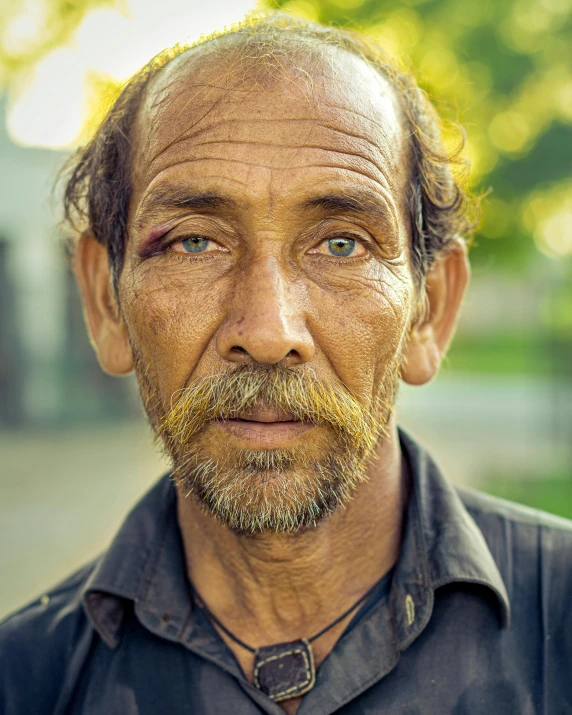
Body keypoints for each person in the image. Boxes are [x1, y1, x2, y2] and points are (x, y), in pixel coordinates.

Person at [1, 13, 571, 715]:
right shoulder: (22, 681)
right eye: (193, 243)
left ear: (430, 309)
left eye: (341, 245)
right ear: (104, 301)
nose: (269, 332)